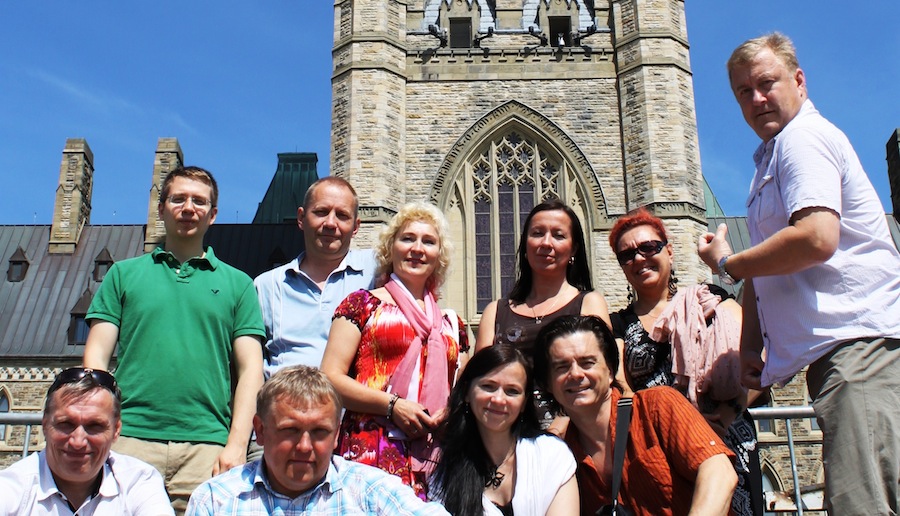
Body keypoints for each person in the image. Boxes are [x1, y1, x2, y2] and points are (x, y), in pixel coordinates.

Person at [698, 32, 900, 515]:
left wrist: (727, 264)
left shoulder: (803, 140)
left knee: (862, 505)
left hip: (859, 349)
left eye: (766, 83)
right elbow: (771, 267)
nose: (756, 98)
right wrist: (750, 347)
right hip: (840, 357)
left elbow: (815, 238)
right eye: (743, 92)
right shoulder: (771, 157)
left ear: (799, 81)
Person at [83, 166, 266, 513]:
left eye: (199, 201)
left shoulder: (239, 283)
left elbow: (251, 370)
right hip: (129, 439)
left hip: (207, 445)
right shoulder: (123, 275)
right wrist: (99, 430)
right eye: (178, 199)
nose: (188, 208)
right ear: (161, 208)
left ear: (212, 215)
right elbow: (95, 363)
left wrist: (237, 444)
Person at [608, 207, 762, 515]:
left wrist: (724, 416)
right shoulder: (617, 325)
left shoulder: (711, 298)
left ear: (669, 250)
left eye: (648, 247)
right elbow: (622, 391)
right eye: (627, 255)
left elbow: (757, 359)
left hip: (726, 437)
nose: (638, 258)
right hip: (660, 453)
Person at [321, 202, 468, 499]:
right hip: (372, 448)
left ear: (439, 256)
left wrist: (450, 412)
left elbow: (463, 388)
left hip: (436, 454)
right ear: (391, 248)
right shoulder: (362, 304)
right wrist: (392, 405)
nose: (417, 248)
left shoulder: (453, 323)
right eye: (407, 238)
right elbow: (329, 378)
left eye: (428, 242)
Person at [534, 315, 737, 516]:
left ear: (611, 371)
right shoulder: (559, 455)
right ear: (547, 383)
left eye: (587, 363)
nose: (576, 374)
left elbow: (719, 472)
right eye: (562, 367)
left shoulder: (656, 407)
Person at [185, 365, 449, 515]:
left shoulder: (370, 493)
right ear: (261, 431)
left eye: (319, 432)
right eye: (290, 430)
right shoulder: (216, 500)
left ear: (336, 435)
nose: (304, 446)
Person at [475, 199, 610, 425]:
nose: (546, 243)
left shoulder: (589, 304)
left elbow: (603, 376)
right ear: (525, 245)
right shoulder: (495, 312)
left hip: (573, 437)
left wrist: (563, 423)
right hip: (506, 437)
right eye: (537, 233)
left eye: (558, 235)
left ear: (574, 248)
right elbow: (480, 382)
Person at [0, 367, 173, 515]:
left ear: (116, 430)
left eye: (94, 425)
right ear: (45, 425)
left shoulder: (139, 481)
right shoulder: (11, 488)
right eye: (66, 424)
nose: (78, 442)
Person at [431, 343, 579, 515]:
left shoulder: (552, 456)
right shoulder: (445, 468)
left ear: (524, 402)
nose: (499, 399)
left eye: (512, 391)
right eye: (488, 386)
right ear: (466, 393)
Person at [254, 177, 377, 377]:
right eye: (321, 212)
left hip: (356, 407)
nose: (330, 223)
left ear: (356, 227)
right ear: (301, 218)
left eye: (342, 215)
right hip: (284, 404)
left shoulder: (378, 271)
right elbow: (250, 366)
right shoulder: (267, 285)